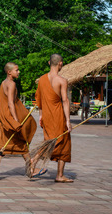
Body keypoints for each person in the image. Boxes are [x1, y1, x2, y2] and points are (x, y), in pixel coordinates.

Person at [0, 62, 43, 177]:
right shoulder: (11, 84)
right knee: (19, 143)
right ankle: (31, 170)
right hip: (9, 118)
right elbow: (10, 103)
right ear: (9, 72)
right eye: (16, 70)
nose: (19, 72)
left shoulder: (4, 83)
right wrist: (16, 120)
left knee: (2, 144)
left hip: (3, 117)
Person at [35, 54, 73, 183]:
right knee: (64, 142)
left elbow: (38, 99)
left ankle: (34, 160)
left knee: (49, 141)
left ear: (48, 62)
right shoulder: (62, 80)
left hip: (46, 116)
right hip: (58, 116)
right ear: (60, 64)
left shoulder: (41, 79)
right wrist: (68, 120)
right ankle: (59, 175)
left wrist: (41, 115)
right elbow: (65, 101)